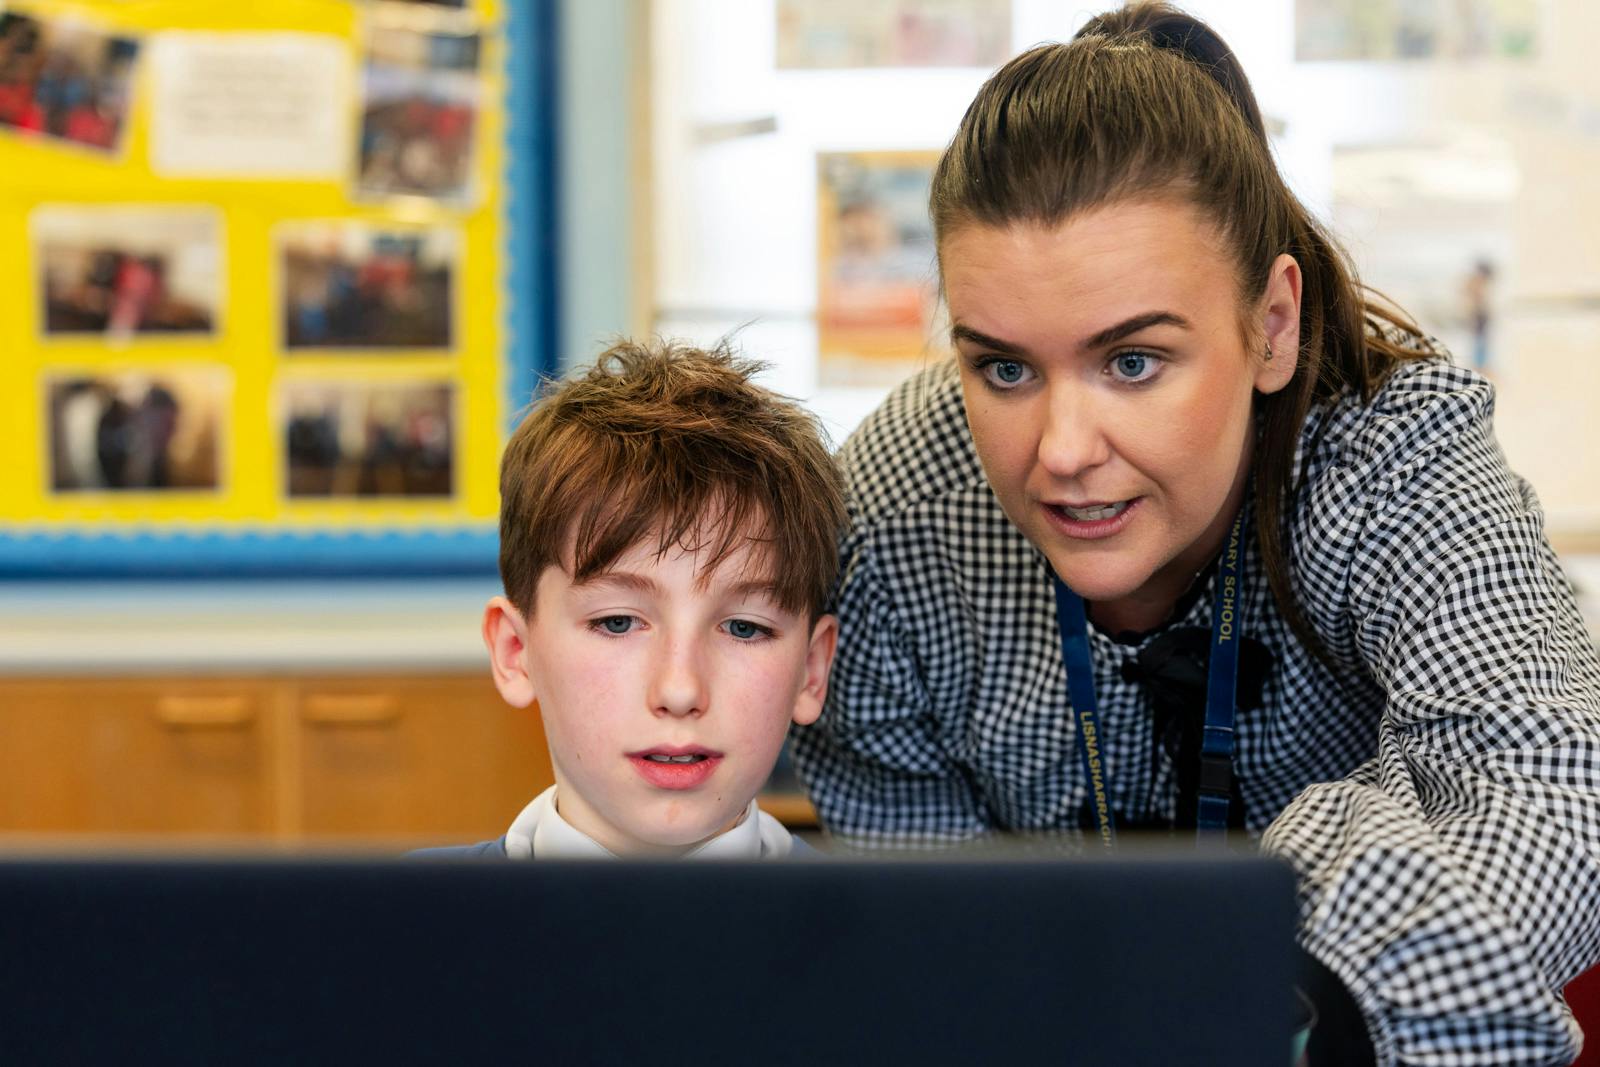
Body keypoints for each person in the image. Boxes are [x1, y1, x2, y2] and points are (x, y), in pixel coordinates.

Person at [790, 4, 1600, 1065]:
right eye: (1003, 368)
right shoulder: (895, 510)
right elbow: (930, 934)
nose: (1063, 449)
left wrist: (1289, 997)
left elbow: (1550, 783)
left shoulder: (1394, 455)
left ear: (1270, 325)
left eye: (1132, 361)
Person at [418, 339, 844, 860]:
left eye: (744, 628)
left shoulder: (889, 936)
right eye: (617, 622)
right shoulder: (392, 930)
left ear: (813, 670)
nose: (681, 690)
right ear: (514, 651)